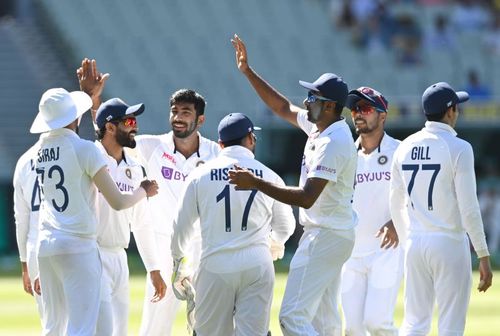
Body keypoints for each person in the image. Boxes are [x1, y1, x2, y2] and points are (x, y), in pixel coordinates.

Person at [77, 58, 220, 335]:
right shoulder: (151, 146)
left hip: (203, 245)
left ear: (200, 119)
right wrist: (94, 102)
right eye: (174, 111)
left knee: (209, 322)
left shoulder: (215, 154)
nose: (178, 117)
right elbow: (110, 136)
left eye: (186, 112)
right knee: (155, 327)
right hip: (164, 245)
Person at [229, 34, 357, 335]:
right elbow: (282, 107)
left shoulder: (334, 141)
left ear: (329, 106)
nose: (306, 101)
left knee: (291, 318)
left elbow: (307, 197)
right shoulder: (320, 126)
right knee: (324, 323)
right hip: (332, 233)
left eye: (313, 97)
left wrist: (255, 183)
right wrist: (248, 71)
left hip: (325, 235)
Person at [30, 87, 158, 335]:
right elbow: (119, 202)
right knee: (83, 327)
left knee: (53, 327)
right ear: (74, 117)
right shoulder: (85, 149)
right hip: (79, 246)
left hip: (47, 246)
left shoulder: (40, 152)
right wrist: (144, 190)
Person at [171, 112, 296, 335]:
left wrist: (180, 263)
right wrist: (274, 243)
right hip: (257, 263)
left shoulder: (199, 175)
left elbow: (181, 226)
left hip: (215, 264)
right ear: (250, 139)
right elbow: (286, 225)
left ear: (220, 144)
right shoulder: (269, 175)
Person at [390, 82, 493, 335]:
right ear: (450, 111)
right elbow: (469, 207)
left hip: (415, 242)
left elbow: (394, 202)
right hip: (448, 242)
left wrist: (408, 242)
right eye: (456, 108)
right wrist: (483, 254)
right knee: (451, 325)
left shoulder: (404, 146)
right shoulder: (459, 147)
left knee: (414, 323)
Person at [92, 98, 167, 336]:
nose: (134, 126)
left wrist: (154, 269)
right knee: (99, 330)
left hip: (119, 258)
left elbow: (141, 222)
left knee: (119, 331)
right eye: (129, 121)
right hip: (90, 254)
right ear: (110, 127)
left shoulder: (135, 167)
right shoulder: (90, 156)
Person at [341, 87, 403, 336]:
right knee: (353, 329)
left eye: (366, 109)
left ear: (383, 115)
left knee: (377, 324)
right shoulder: (345, 153)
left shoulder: (400, 150)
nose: (358, 114)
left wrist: (397, 222)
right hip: (351, 253)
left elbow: (416, 196)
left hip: (387, 253)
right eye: (355, 109)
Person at [13, 137, 44, 326]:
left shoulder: (24, 160)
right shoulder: (73, 151)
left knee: (50, 322)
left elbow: (21, 221)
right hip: (70, 243)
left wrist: (24, 265)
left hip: (35, 246)